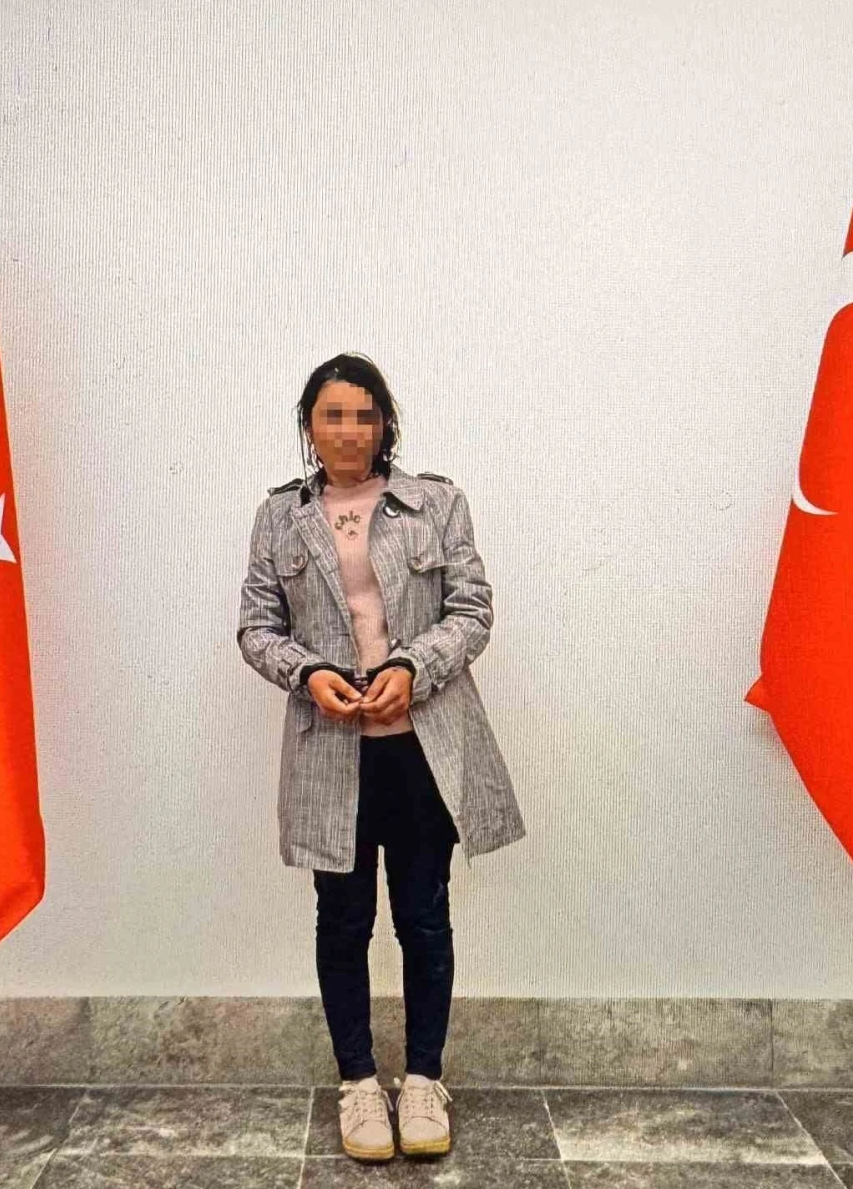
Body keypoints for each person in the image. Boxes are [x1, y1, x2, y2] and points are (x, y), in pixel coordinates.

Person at [236, 351, 526, 1161]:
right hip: (331, 754)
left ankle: (425, 1077)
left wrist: (411, 666)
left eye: (365, 414)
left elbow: (472, 609)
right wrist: (309, 672)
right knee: (343, 918)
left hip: (424, 750)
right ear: (309, 425)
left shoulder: (436, 503)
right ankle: (359, 1081)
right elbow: (256, 626)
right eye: (333, 414)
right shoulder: (280, 517)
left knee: (424, 913)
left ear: (386, 422)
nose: (350, 430)